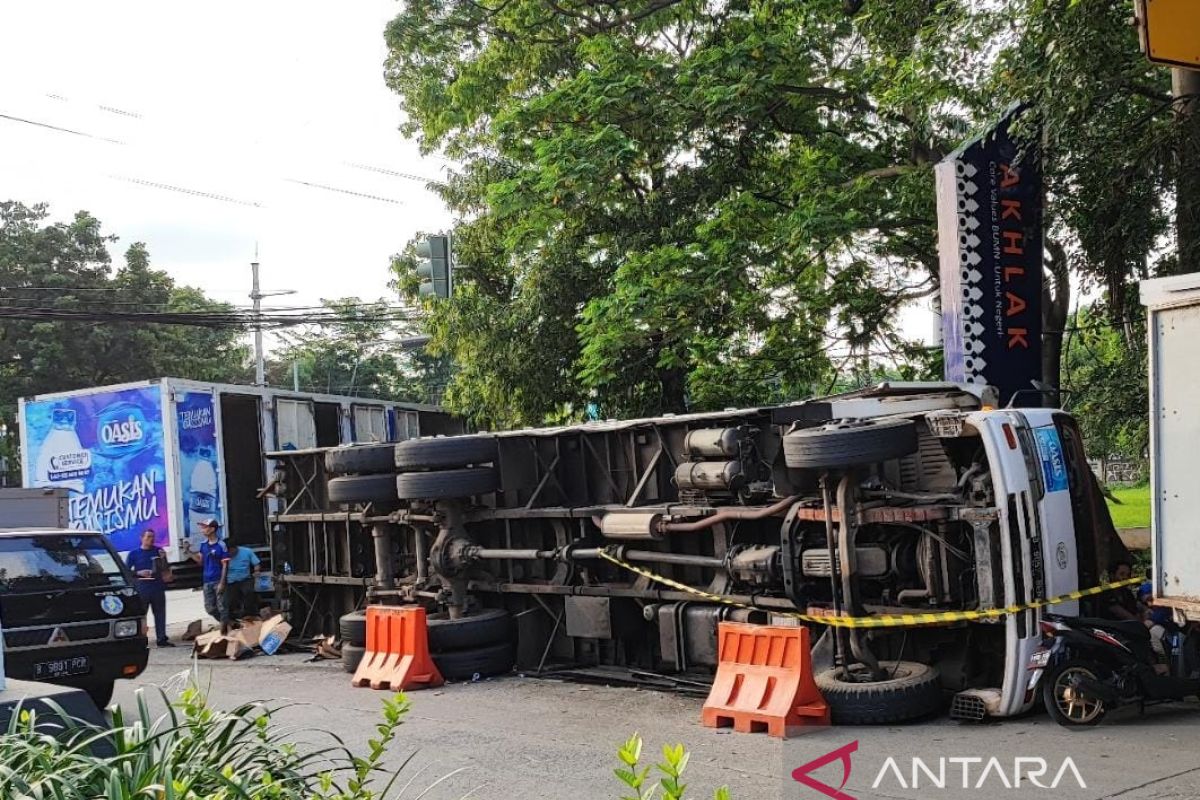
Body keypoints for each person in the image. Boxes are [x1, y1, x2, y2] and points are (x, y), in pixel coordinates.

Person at [125, 529, 174, 647]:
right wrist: (138, 573)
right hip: (142, 587)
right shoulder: (134, 554)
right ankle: (141, 638)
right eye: (148, 537)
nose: (151, 539)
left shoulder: (158, 551)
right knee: (142, 615)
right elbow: (126, 571)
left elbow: (165, 570)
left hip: (157, 587)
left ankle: (161, 638)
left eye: (152, 537)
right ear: (141, 538)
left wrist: (164, 558)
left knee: (160, 613)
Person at [186, 519, 228, 624]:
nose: (203, 530)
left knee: (222, 607)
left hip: (218, 579)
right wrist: (189, 552)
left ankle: (225, 628)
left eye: (205, 527)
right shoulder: (203, 545)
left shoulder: (221, 545)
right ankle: (228, 623)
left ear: (212, 529)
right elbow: (200, 561)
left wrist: (222, 582)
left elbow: (225, 565)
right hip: (207, 580)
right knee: (209, 608)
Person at [220, 542, 261, 635]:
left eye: (231, 551)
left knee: (249, 593)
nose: (230, 554)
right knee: (229, 601)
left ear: (235, 548)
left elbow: (256, 563)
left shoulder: (247, 551)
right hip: (230, 581)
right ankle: (231, 622)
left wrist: (257, 570)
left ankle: (250, 615)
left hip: (245, 579)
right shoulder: (224, 554)